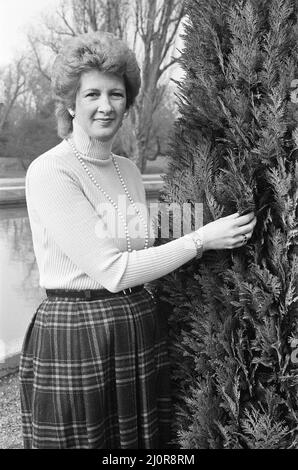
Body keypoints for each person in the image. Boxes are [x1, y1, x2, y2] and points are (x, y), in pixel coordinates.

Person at [19, 31, 257, 449]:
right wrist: (201, 239)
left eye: (116, 94)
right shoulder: (50, 172)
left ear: (127, 103)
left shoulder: (128, 170)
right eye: (92, 93)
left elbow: (140, 245)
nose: (106, 106)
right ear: (71, 104)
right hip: (78, 333)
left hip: (136, 326)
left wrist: (205, 218)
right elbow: (112, 270)